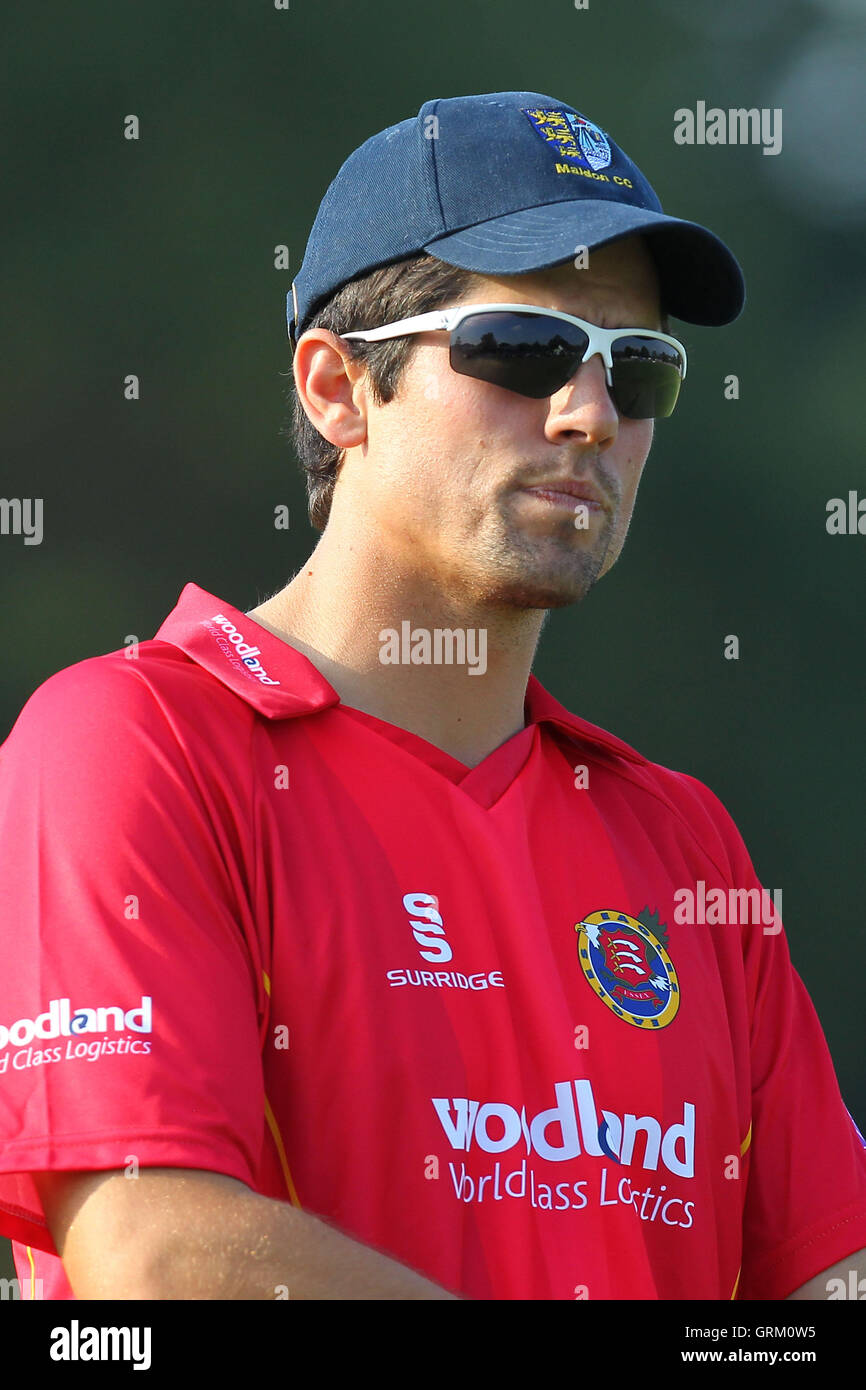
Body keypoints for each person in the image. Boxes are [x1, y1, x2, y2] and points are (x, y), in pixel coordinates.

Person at [1, 90, 864, 1302]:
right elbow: (154, 1255)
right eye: (523, 346)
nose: (589, 414)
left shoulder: (683, 842)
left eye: (638, 369)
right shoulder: (135, 739)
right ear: (336, 390)